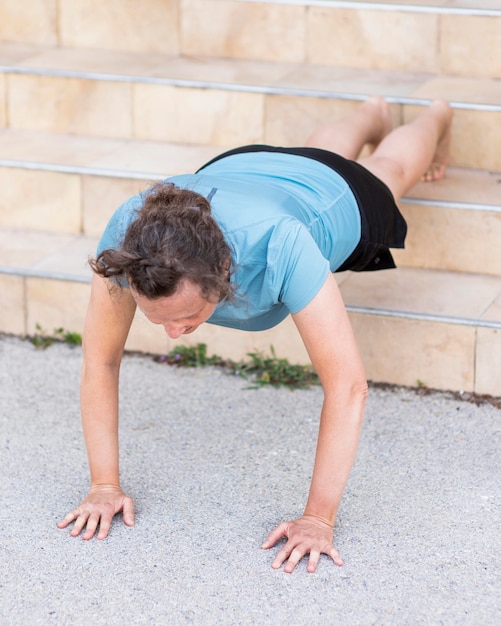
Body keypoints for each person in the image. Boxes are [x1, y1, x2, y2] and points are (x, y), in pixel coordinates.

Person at [58, 97, 453, 573]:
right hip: (239, 171)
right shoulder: (131, 238)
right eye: (156, 318)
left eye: (185, 317)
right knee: (310, 157)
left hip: (330, 195)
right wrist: (104, 485)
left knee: (387, 169)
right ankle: (371, 114)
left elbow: (348, 388)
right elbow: (100, 360)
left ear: (225, 274)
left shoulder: (283, 244)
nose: (174, 334)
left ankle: (437, 116)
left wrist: (318, 518)